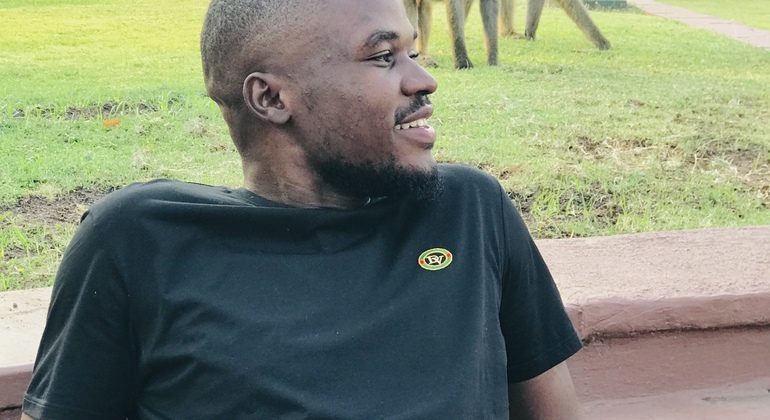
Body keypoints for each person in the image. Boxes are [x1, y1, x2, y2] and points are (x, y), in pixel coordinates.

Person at [21, 0, 584, 418]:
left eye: (412, 52)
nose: (423, 79)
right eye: (383, 57)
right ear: (270, 98)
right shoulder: (140, 239)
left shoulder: (467, 212)